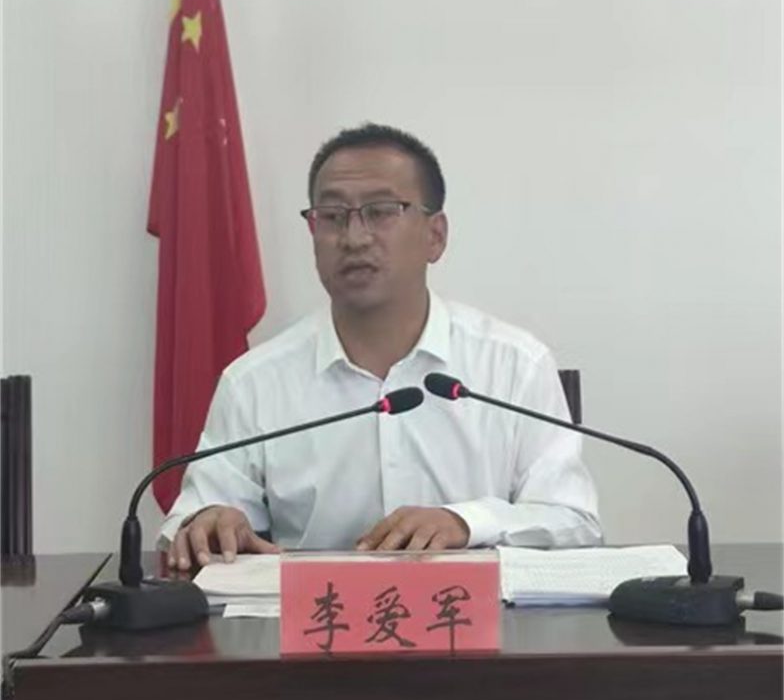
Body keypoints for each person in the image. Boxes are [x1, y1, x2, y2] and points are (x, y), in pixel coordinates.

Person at [161, 123, 601, 570]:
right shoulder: (255, 382)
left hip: (476, 612)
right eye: (332, 215)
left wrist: (467, 522)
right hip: (314, 611)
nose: (354, 238)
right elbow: (198, 516)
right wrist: (209, 523)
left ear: (435, 236)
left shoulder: (514, 366)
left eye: (381, 211)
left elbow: (573, 520)